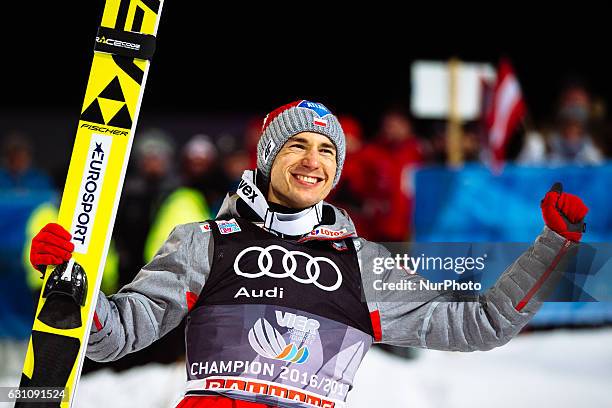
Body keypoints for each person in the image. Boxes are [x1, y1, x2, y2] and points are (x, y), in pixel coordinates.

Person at [30, 100, 589, 408]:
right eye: (296, 144)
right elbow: (115, 336)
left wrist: (551, 247)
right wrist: (71, 282)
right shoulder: (206, 240)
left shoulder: (363, 264)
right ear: (269, 157)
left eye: (326, 150)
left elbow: (480, 324)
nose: (311, 159)